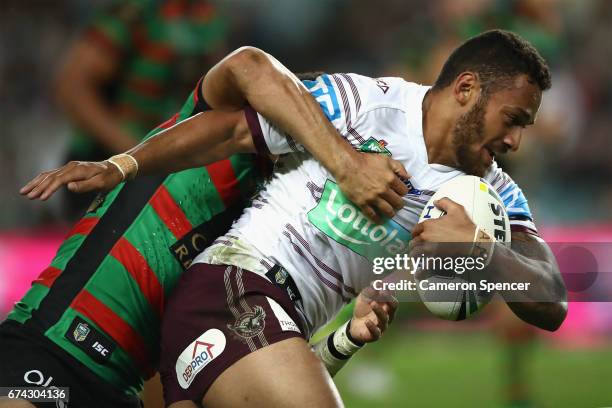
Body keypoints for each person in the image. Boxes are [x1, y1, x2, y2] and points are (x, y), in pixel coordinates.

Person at [20, 30, 568, 407]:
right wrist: (124, 164)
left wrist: (483, 252)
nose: (516, 141)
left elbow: (551, 300)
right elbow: (233, 126)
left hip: (283, 334)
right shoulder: (363, 104)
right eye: (513, 119)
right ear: (468, 88)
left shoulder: (492, 194)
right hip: (236, 288)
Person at [3, 59, 406, 407]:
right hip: (47, 350)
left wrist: (346, 339)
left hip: (121, 391)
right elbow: (248, 66)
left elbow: (252, 377)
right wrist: (345, 161)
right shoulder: (201, 133)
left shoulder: (263, 238)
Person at [54, 0, 230, 218]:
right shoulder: (136, 12)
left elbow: (216, 89)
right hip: (104, 161)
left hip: (161, 164)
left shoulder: (205, 17)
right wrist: (135, 152)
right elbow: (73, 86)